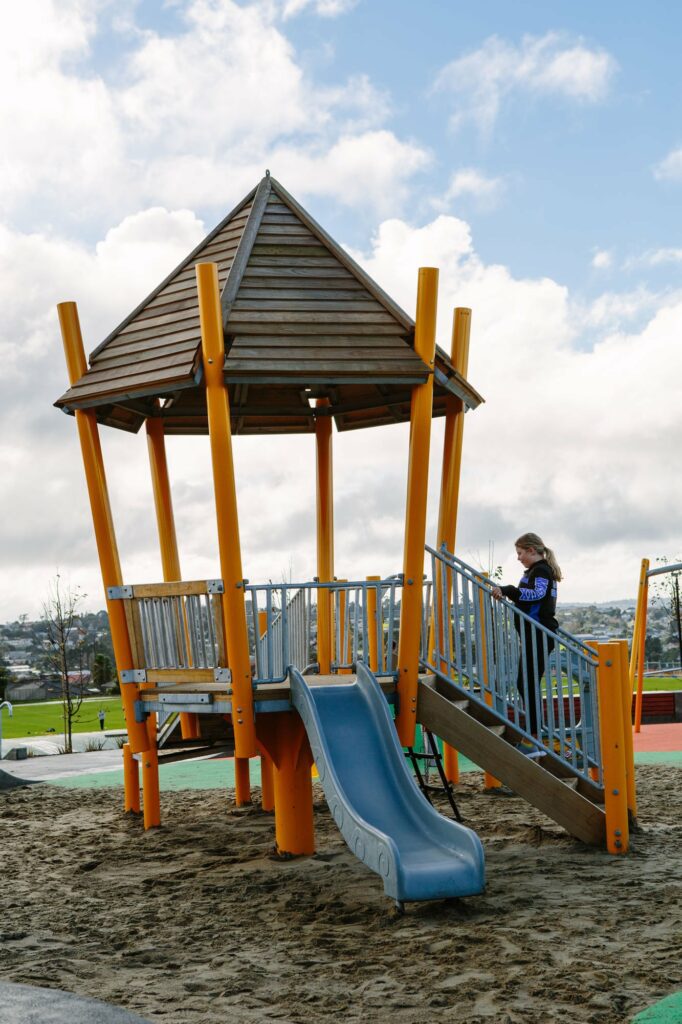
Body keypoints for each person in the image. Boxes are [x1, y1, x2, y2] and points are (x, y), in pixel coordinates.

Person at [491, 532, 562, 751]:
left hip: (539, 634)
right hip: (533, 634)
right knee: (525, 682)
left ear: (532, 550)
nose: (518, 557)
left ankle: (535, 732)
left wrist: (509, 590)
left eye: (520, 553)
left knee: (526, 682)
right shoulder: (535, 570)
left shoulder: (541, 570)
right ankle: (534, 730)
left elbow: (537, 595)